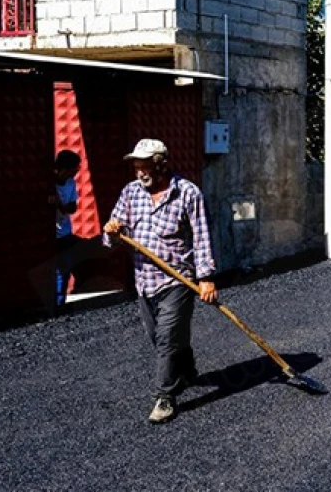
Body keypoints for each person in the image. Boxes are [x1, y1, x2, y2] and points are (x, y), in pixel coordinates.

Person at [103, 139, 217, 424]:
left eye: (145, 166)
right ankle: (186, 366)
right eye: (137, 166)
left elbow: (201, 237)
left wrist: (206, 278)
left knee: (166, 339)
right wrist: (112, 231)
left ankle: (165, 397)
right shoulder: (130, 193)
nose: (140, 172)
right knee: (157, 337)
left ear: (161, 164)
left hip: (177, 281)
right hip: (144, 281)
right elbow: (111, 235)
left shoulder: (188, 193)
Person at [52, 150, 81, 308]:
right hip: (52, 234)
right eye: (75, 168)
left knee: (63, 269)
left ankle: (59, 304)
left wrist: (60, 205)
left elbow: (72, 207)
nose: (77, 171)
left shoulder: (70, 183)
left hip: (64, 232)